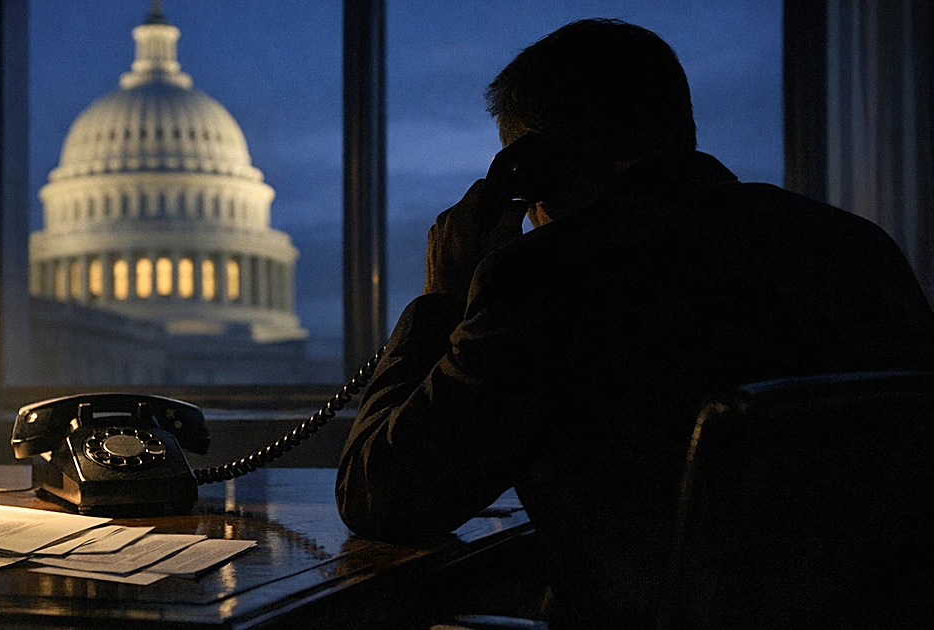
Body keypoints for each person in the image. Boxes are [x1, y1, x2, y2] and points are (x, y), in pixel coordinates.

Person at [335, 18, 934, 628]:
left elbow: (379, 495)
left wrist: (442, 297)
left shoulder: (547, 278)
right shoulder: (860, 250)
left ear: (532, 162)